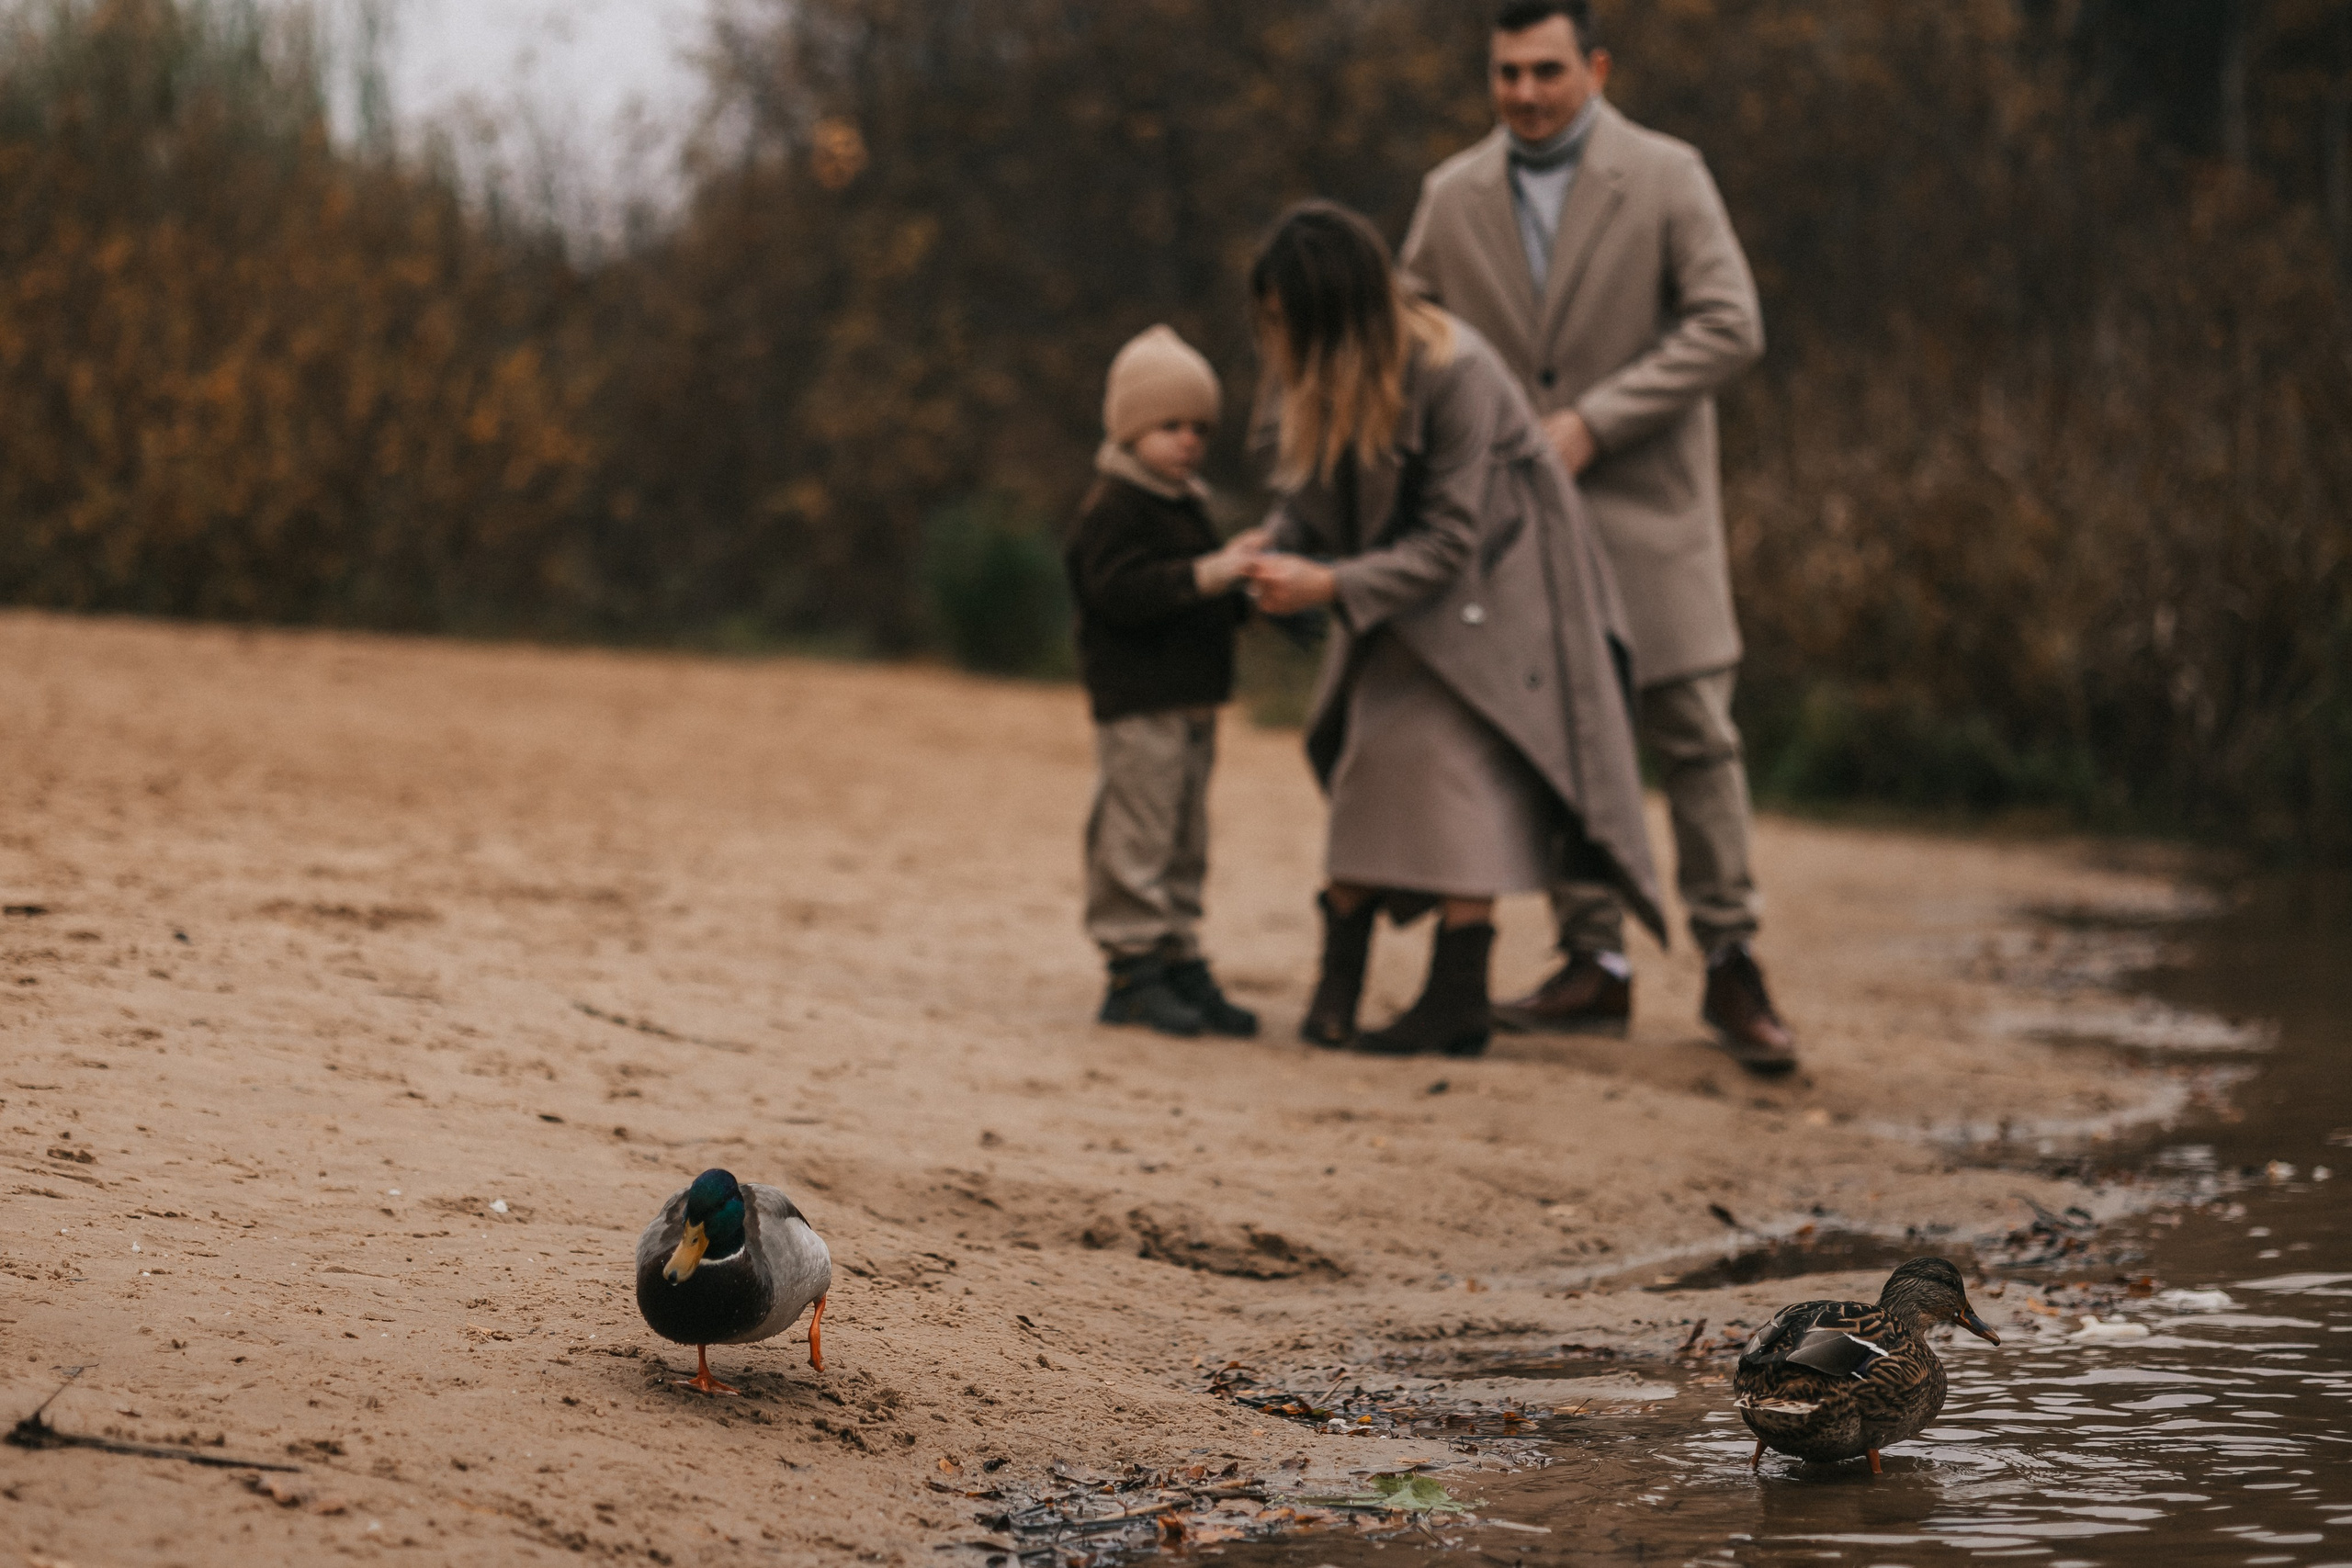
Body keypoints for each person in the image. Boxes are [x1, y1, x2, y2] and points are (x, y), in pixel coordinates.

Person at [1396, 0, 1795, 1074]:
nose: (1524, 94)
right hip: (1513, 527)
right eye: (1506, 74)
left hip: (1649, 513)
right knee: (1558, 743)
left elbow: (1730, 325)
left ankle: (1731, 961)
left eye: (1546, 72)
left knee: (1697, 740)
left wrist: (1594, 421)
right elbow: (1409, 336)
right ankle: (1592, 966)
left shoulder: (1668, 175)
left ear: (1596, 68)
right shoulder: (1449, 195)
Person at [1242, 201, 1664, 1059]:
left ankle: (1456, 998)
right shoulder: (1320, 368)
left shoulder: (1455, 368)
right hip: (1403, 596)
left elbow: (1450, 538)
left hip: (1502, 599)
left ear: (1336, 312)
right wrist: (1276, 546)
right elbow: (1312, 486)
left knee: (1458, 777)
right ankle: (1338, 988)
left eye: (1288, 318)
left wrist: (1327, 583)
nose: (1273, 335)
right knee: (1369, 764)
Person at [1066, 325, 1263, 1039]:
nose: (1188, 441)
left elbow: (1198, 598)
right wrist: (1207, 574)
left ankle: (1178, 950)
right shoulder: (1113, 507)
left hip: (1192, 702)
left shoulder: (1185, 504)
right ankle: (1132, 966)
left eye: (1200, 429)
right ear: (1130, 426)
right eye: (1171, 425)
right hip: (1139, 703)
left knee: (1186, 836)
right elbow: (1120, 593)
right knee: (1138, 834)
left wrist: (1246, 593)